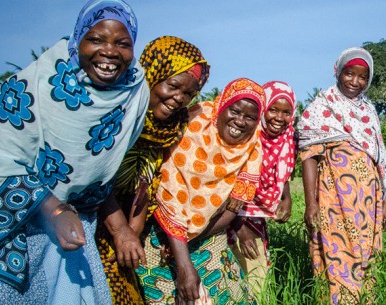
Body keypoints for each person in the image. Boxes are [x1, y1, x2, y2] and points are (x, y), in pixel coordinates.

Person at [0, 1, 148, 304]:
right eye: (96, 39)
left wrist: (119, 229)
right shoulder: (32, 86)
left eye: (123, 43)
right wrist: (54, 210)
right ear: (77, 40)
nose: (110, 51)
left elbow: (101, 178)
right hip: (14, 231)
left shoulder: (133, 96)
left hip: (76, 234)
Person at [95, 35, 210, 305]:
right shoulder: (114, 113)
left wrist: (132, 231)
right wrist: (121, 231)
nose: (178, 99)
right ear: (153, 74)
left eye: (189, 94)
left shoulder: (169, 127)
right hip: (86, 219)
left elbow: (146, 183)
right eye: (173, 86)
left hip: (125, 228)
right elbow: (96, 176)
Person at [137, 77, 263, 305]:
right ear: (222, 106)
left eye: (250, 117)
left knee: (228, 294)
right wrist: (182, 259)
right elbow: (167, 194)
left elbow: (232, 209)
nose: (241, 121)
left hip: (209, 232)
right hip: (160, 234)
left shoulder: (252, 148)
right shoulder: (193, 126)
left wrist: (191, 238)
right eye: (234, 111)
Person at [297, 47, 386, 305]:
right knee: (335, 250)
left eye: (362, 77)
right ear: (338, 72)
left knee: (366, 254)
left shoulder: (369, 110)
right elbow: (308, 155)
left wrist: (385, 204)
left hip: (368, 202)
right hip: (334, 196)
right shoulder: (322, 104)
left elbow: (379, 158)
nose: (355, 82)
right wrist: (311, 203)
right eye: (350, 74)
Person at [229, 80, 296, 299]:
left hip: (257, 220)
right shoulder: (245, 134)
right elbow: (227, 181)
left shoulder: (286, 140)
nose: (279, 118)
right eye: (273, 110)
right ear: (262, 109)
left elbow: (280, 175)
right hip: (226, 216)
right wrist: (239, 227)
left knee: (257, 278)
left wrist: (286, 197)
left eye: (286, 112)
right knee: (231, 275)